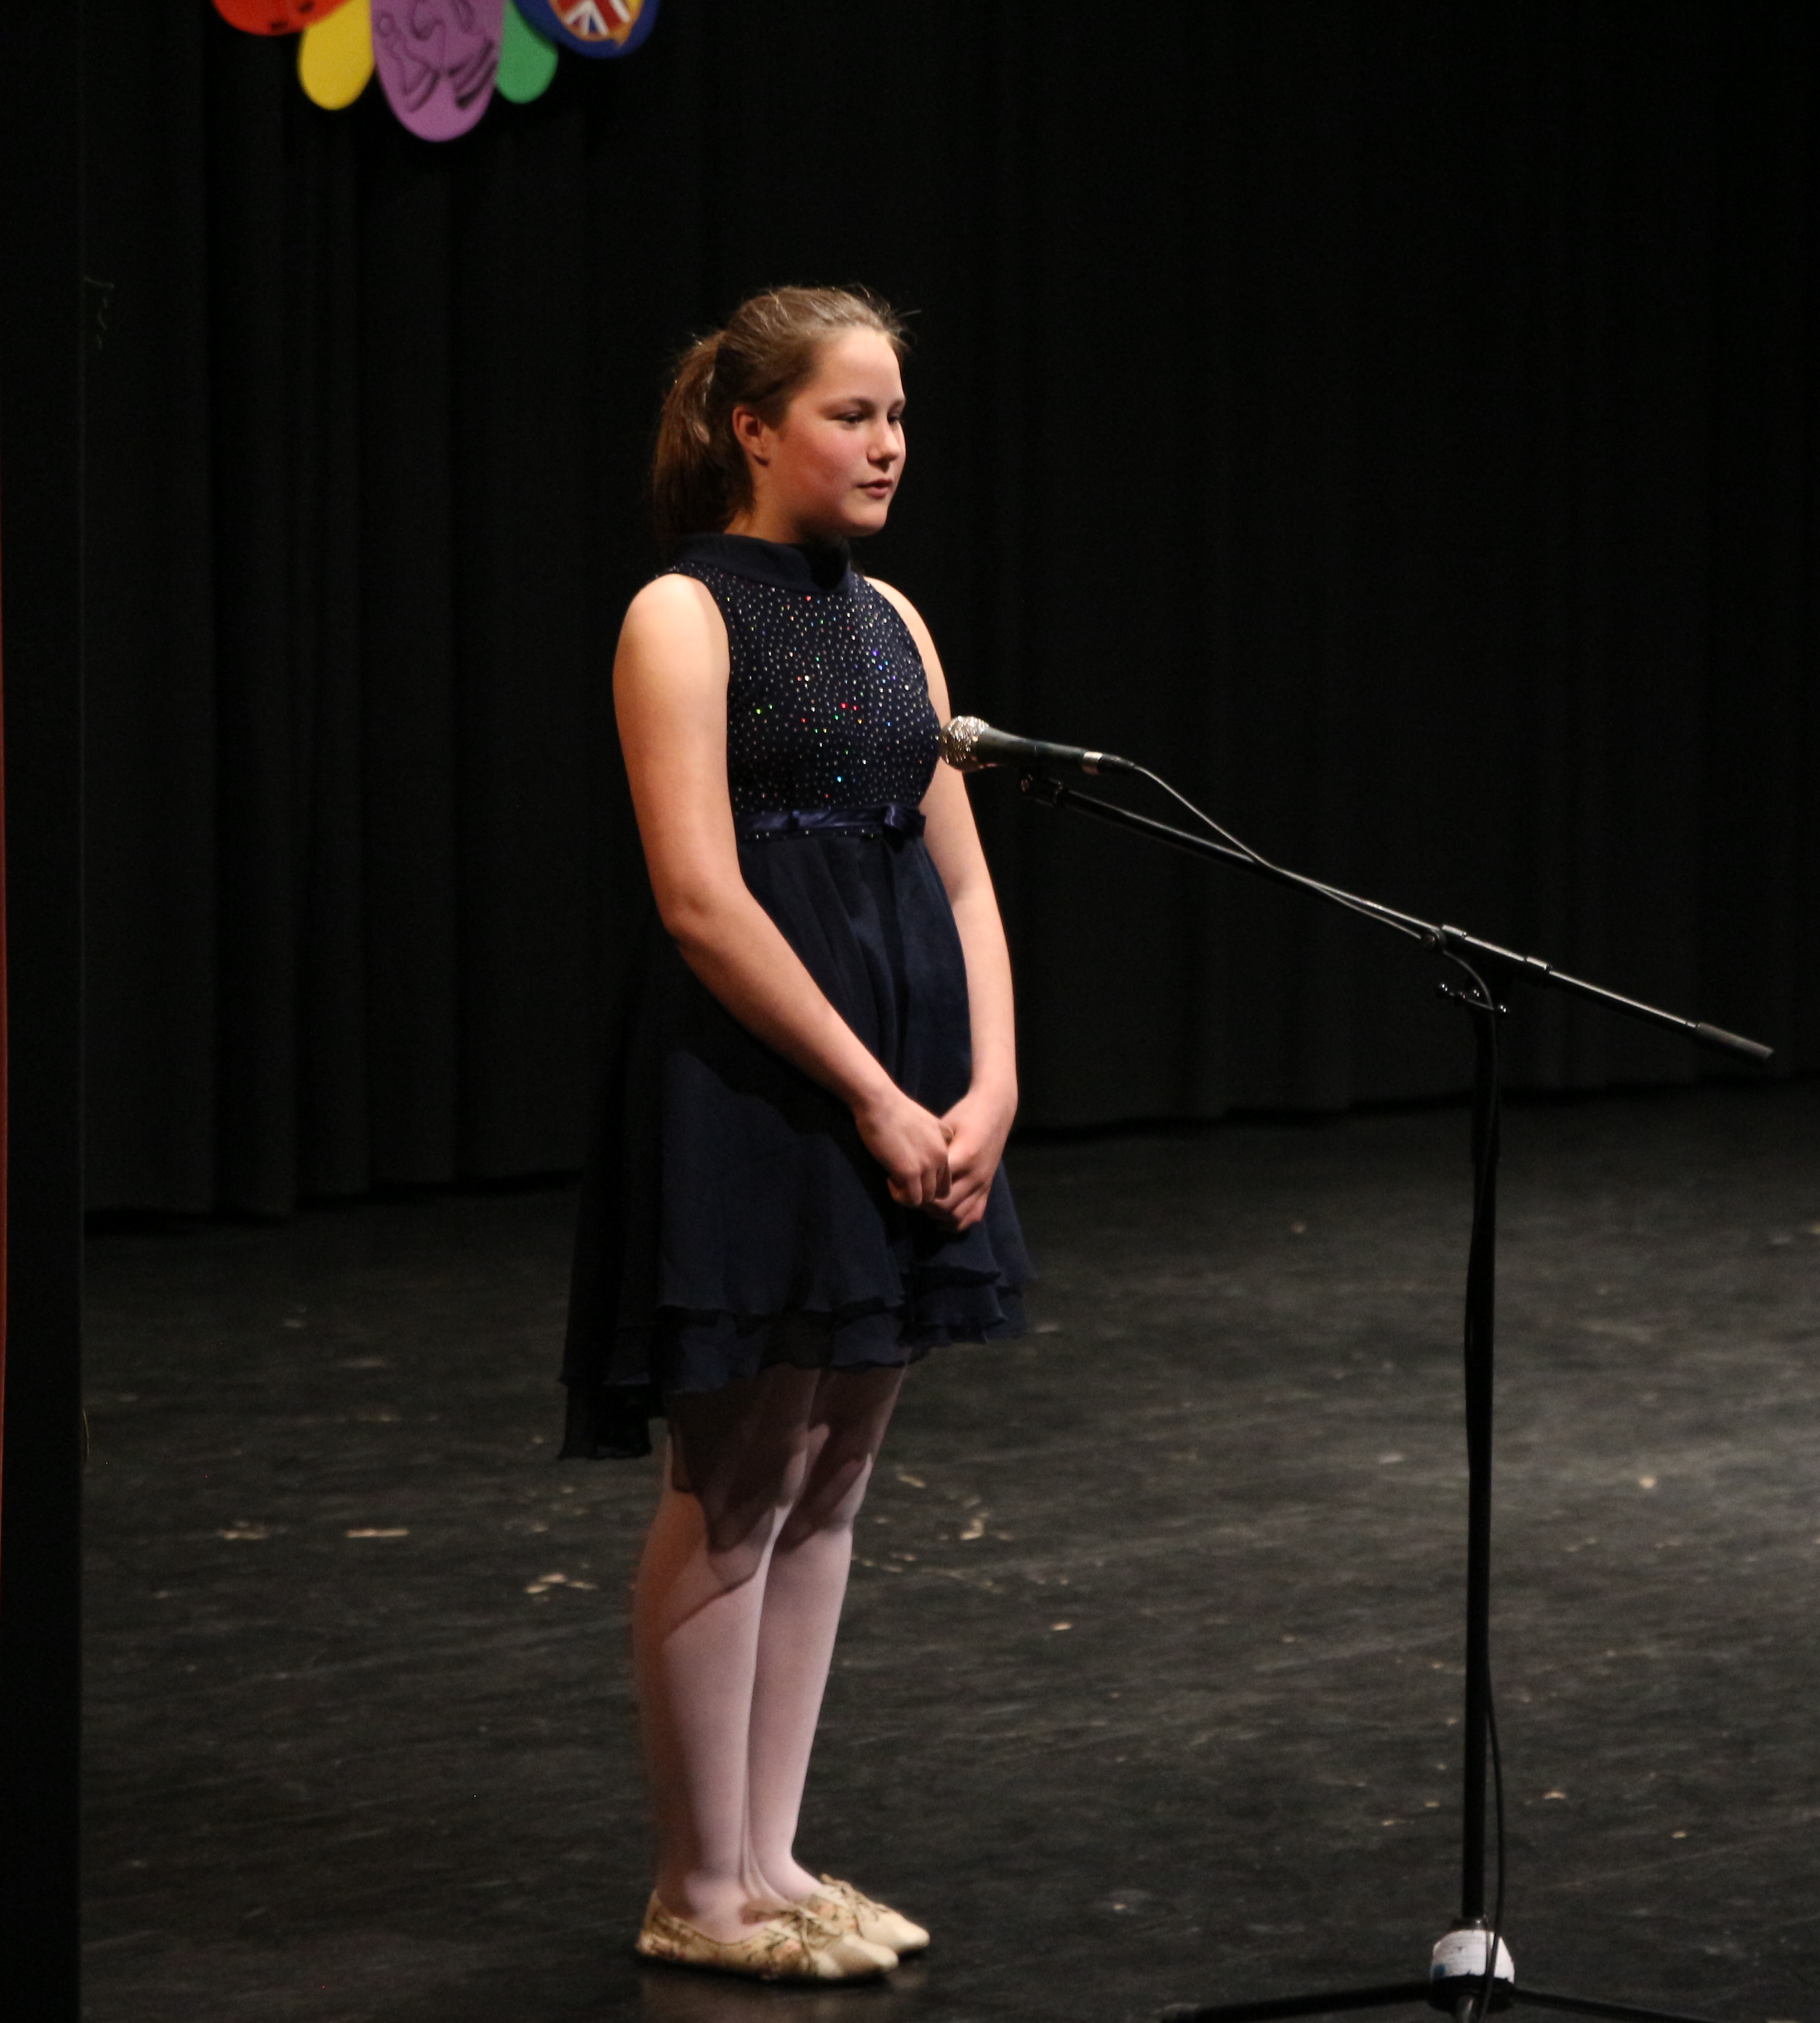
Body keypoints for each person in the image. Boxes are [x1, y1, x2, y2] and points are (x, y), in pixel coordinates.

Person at [561, 284, 1032, 1983]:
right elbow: (700, 896)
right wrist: (871, 1093)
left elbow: (961, 876)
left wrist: (990, 1085)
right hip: (767, 1082)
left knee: (833, 1478)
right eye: (851, 414)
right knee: (737, 1480)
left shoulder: (895, 618)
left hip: (912, 1073)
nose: (888, 443)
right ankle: (699, 1885)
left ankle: (772, 1861)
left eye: (898, 414)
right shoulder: (684, 613)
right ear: (752, 429)